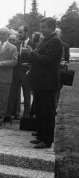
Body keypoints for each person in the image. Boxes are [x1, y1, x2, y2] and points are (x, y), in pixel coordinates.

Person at [23, 18, 62, 149]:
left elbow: (48, 60)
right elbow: (39, 58)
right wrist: (31, 61)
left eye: (44, 27)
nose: (42, 29)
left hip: (47, 82)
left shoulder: (55, 41)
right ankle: (40, 135)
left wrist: (31, 53)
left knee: (47, 112)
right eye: (41, 27)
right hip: (40, 82)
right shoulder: (45, 39)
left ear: (52, 28)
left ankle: (47, 140)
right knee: (39, 110)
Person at [17, 25, 35, 118]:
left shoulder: (33, 45)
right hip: (17, 72)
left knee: (26, 95)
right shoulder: (17, 43)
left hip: (27, 73)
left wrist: (29, 64)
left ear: (26, 32)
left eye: (20, 32)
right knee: (15, 93)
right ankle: (15, 113)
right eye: (18, 32)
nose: (19, 34)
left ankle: (26, 115)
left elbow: (35, 59)